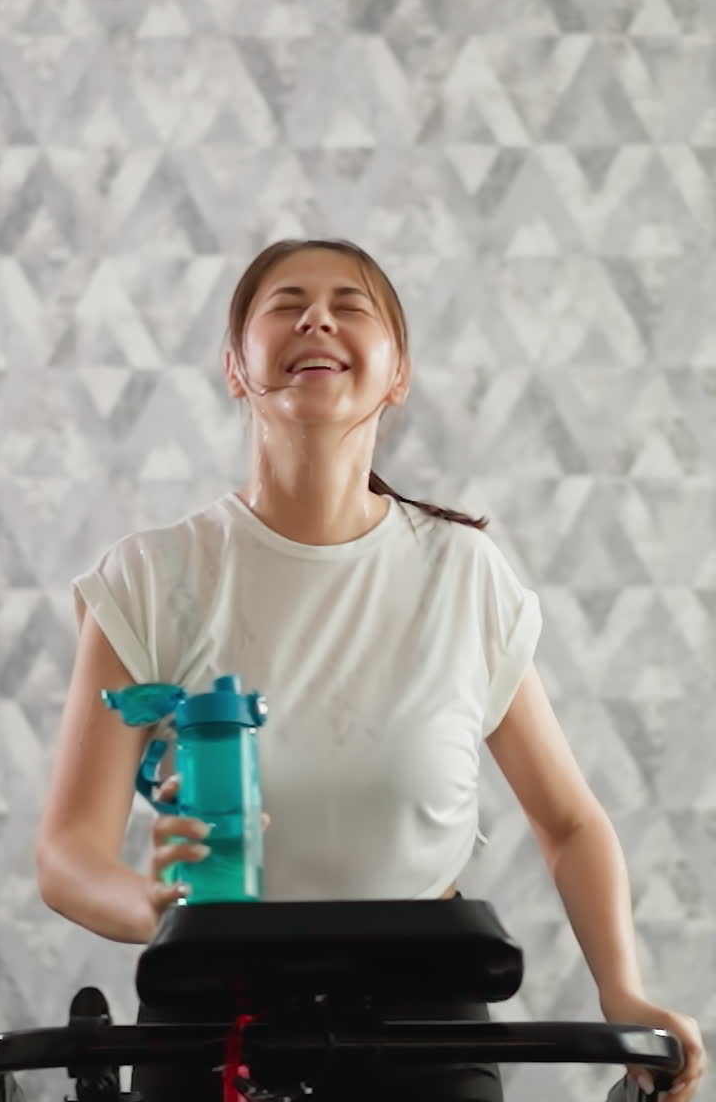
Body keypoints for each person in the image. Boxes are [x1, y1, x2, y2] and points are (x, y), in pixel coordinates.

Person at [36, 238, 705, 1102]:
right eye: (286, 303)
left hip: (427, 1014)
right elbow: (67, 854)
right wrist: (154, 908)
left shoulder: (464, 575)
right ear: (236, 368)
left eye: (350, 304)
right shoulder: (152, 578)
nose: (317, 316)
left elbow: (570, 823)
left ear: (399, 374)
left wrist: (625, 992)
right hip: (214, 1009)